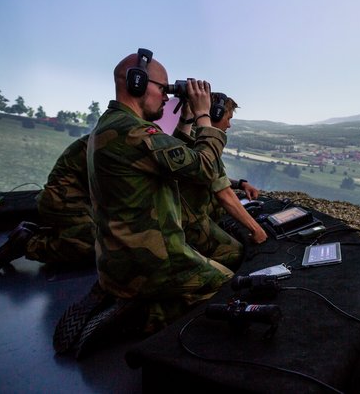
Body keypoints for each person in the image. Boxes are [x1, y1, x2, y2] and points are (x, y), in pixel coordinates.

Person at [87, 49, 233, 332]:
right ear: (137, 82)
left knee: (217, 259)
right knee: (229, 287)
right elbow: (203, 169)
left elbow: (169, 160)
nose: (167, 97)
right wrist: (204, 115)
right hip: (153, 262)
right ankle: (146, 316)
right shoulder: (134, 132)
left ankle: (143, 304)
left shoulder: (113, 126)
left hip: (120, 259)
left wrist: (187, 119)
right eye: (163, 88)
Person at [0, 134, 95, 274]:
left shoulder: (114, 136)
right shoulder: (114, 140)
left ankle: (52, 234)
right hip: (65, 201)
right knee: (93, 248)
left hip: (78, 201)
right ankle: (28, 244)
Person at [175, 93, 268, 249]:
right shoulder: (200, 145)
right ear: (215, 115)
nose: (229, 125)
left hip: (190, 214)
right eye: (228, 118)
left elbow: (213, 176)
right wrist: (256, 229)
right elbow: (224, 194)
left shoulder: (191, 136)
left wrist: (240, 184)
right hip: (189, 223)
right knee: (237, 252)